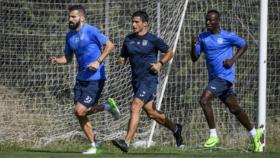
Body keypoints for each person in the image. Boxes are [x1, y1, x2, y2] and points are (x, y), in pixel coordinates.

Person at [49, 5, 120, 155]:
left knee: (80, 110)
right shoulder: (69, 36)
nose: (70, 19)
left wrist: (98, 61)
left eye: (73, 17)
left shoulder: (91, 30)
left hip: (95, 78)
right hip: (80, 79)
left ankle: (107, 107)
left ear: (81, 18)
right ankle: (95, 145)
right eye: (69, 17)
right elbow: (68, 59)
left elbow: (110, 45)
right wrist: (56, 60)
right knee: (79, 113)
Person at [190, 10, 263, 152]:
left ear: (218, 21)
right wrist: (193, 46)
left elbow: (244, 44)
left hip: (224, 77)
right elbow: (194, 58)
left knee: (204, 100)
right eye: (207, 20)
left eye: (211, 20)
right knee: (234, 108)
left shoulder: (227, 36)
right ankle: (255, 134)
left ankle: (213, 135)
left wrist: (232, 60)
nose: (208, 23)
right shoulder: (203, 37)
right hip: (215, 78)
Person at [112, 11, 183, 153]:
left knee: (135, 107)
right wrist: (120, 60)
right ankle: (176, 128)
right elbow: (123, 57)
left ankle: (126, 142)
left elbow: (169, 52)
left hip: (149, 79)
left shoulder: (153, 39)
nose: (133, 24)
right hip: (136, 81)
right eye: (132, 21)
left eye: (137, 22)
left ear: (145, 23)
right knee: (151, 113)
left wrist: (160, 64)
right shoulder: (128, 39)